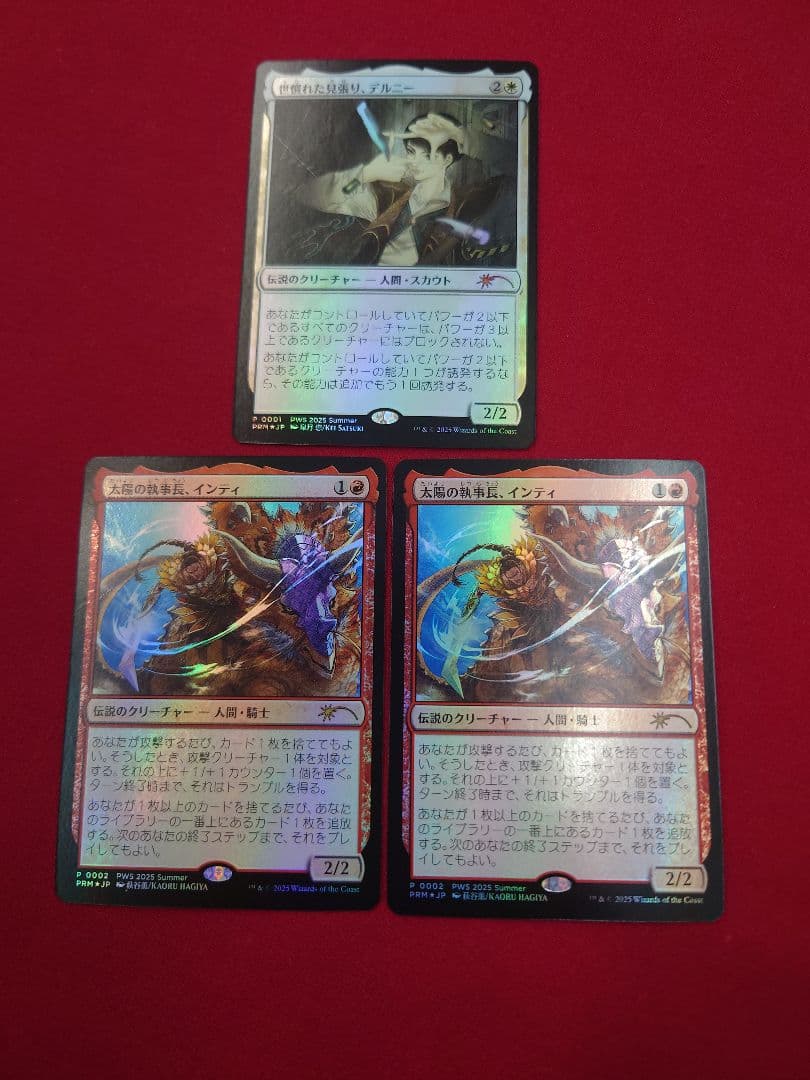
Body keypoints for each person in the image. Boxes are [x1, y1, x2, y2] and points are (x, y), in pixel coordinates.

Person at [299, 112, 515, 266]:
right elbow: (312, 196)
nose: (415, 162)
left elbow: (523, 169)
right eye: (412, 152)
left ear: (447, 159)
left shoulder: (467, 204)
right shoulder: (388, 197)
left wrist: (465, 138)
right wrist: (365, 174)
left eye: (427, 155)